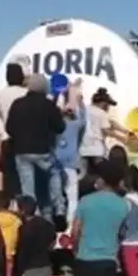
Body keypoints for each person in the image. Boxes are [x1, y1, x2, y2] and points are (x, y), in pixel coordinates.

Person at [5, 73, 67, 228]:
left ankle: (30, 217)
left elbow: (9, 128)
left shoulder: (17, 104)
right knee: (54, 173)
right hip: (43, 151)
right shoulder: (47, 105)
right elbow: (60, 127)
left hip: (22, 152)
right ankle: (59, 207)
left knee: (29, 189)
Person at [0, 63, 28, 197]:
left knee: (12, 178)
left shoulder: (1, 95)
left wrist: (3, 136)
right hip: (27, 138)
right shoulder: (26, 93)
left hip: (8, 139)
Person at [54, 81, 86, 221]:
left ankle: (57, 219)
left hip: (56, 165)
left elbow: (53, 113)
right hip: (71, 165)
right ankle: (70, 222)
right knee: (72, 196)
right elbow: (84, 119)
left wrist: (58, 97)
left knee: (56, 194)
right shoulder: (75, 125)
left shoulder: (55, 128)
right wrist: (80, 103)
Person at [79, 88, 130, 175]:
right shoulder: (101, 114)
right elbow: (106, 130)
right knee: (99, 174)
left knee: (84, 174)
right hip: (96, 149)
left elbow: (111, 123)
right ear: (103, 103)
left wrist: (126, 131)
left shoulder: (85, 110)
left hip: (82, 149)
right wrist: (121, 138)